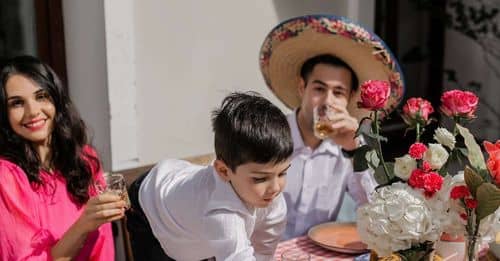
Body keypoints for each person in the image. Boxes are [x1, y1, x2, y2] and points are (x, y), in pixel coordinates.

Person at [259, 14, 406, 239]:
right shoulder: (267, 135)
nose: (328, 101)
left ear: (350, 98)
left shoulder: (352, 145)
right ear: (302, 87)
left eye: (338, 92)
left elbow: (376, 211)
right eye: (319, 89)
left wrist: (355, 150)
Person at [126, 92, 293, 260]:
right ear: (224, 171)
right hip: (150, 203)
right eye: (260, 178)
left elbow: (264, 251)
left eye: (282, 173)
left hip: (187, 199)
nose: (276, 187)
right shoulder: (221, 214)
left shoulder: (271, 197)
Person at [0, 55, 126, 260]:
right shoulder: (7, 176)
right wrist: (84, 224)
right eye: (17, 103)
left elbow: (104, 246)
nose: (32, 112)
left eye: (41, 96)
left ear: (55, 98)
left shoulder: (84, 159)